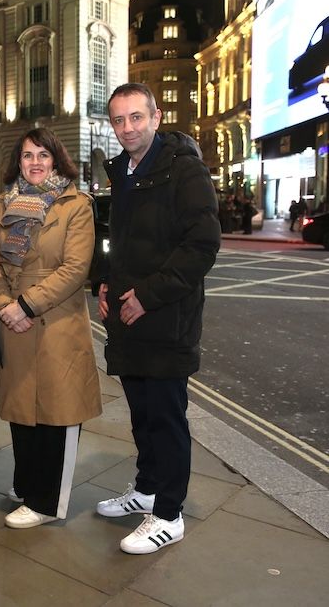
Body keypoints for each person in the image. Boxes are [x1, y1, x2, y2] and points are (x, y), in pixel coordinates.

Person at [95, 83, 220, 554]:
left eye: (136, 118)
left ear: (156, 116)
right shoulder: (125, 171)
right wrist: (104, 282)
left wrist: (147, 296)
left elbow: (201, 246)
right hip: (129, 318)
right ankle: (146, 490)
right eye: (119, 120)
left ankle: (168, 513)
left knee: (167, 418)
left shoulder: (184, 170)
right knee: (143, 414)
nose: (127, 128)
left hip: (165, 317)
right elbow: (120, 241)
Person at [0, 128, 101, 529]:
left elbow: (75, 268)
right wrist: (3, 305)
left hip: (55, 320)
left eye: (43, 155)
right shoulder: (5, 204)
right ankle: (26, 485)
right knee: (22, 408)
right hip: (14, 321)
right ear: (17, 162)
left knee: (56, 411)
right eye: (27, 156)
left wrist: (25, 305)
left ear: (57, 160)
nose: (35, 163)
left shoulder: (76, 204)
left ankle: (46, 501)